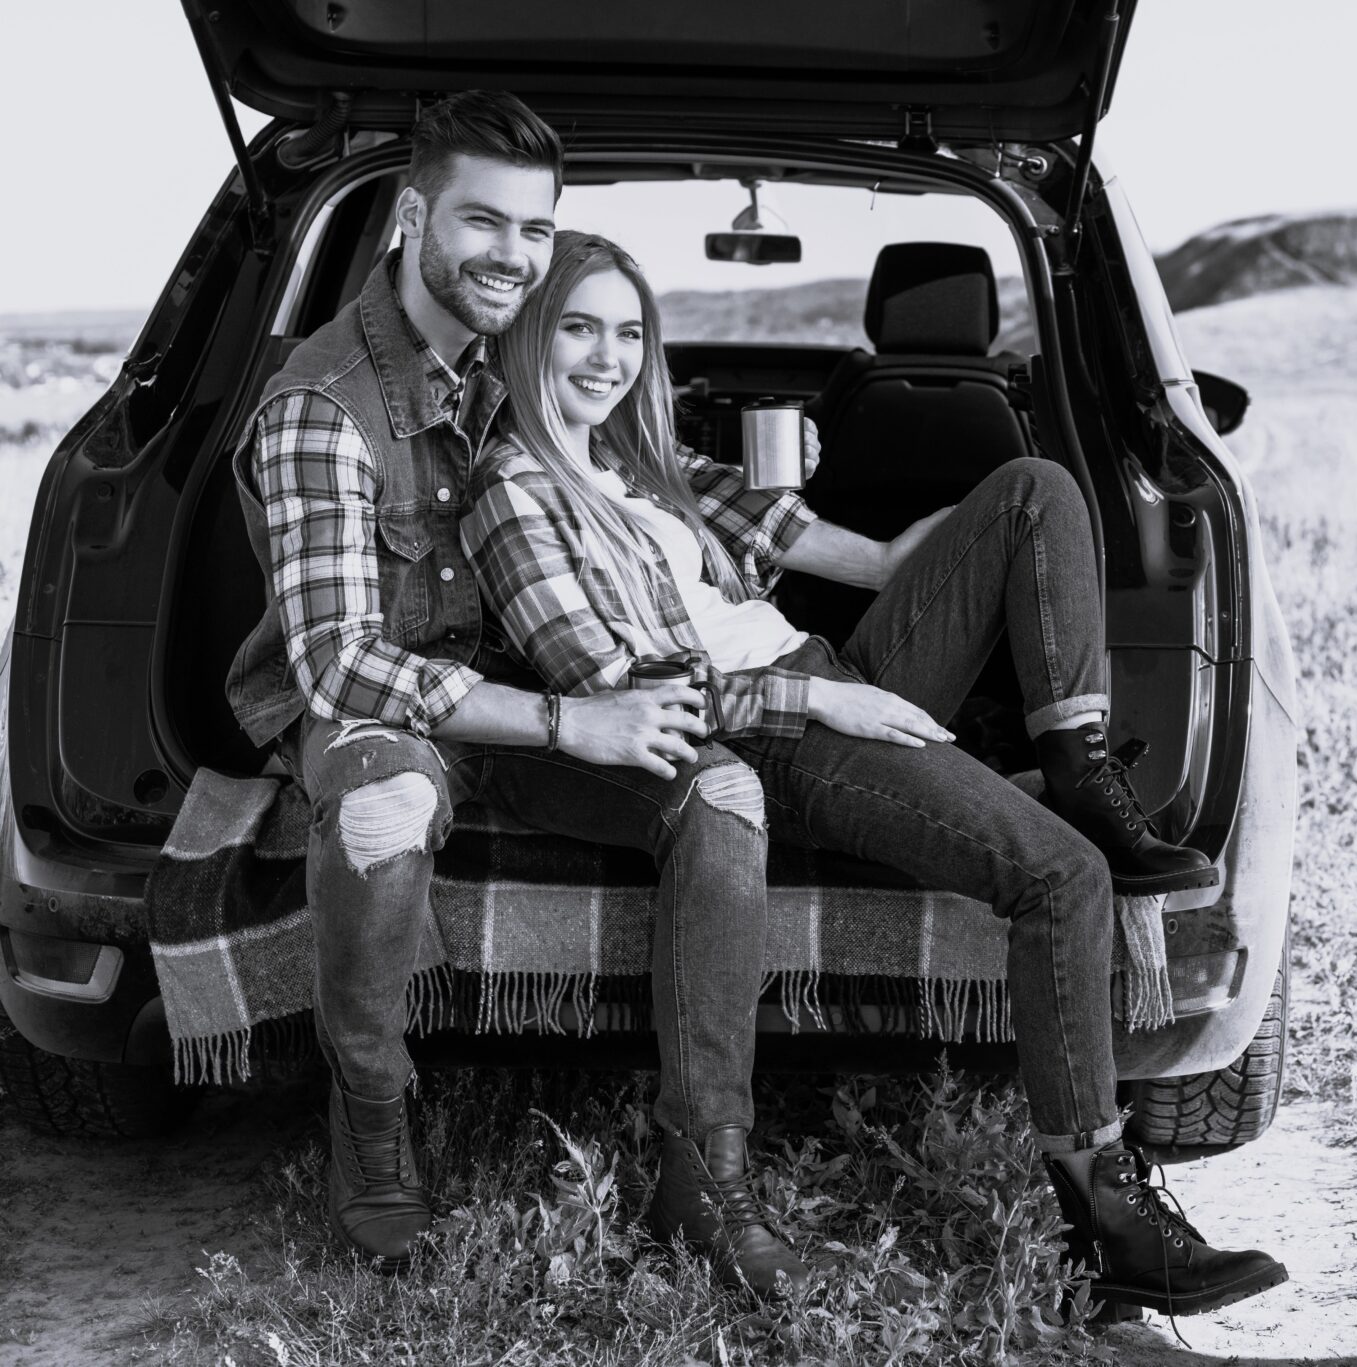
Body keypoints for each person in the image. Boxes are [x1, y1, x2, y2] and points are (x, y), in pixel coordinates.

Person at [459, 230, 1289, 1317]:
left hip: (814, 676)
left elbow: (795, 531)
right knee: (1064, 878)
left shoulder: (631, 458)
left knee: (1033, 486)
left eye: (626, 331)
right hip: (771, 730)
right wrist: (827, 700)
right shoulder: (511, 491)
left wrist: (901, 561)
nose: (607, 357)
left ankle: (1079, 766)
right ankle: (1107, 1221)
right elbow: (618, 686)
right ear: (525, 335)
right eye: (578, 328)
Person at [225, 94, 804, 1295]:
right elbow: (337, 660)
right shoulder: (318, 403)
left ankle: (703, 1160)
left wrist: (876, 552)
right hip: (380, 707)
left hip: (527, 681)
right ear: (411, 213)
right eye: (483, 222)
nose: (512, 256)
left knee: (724, 790)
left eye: (534, 231)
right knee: (384, 800)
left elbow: (645, 465)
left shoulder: (513, 346)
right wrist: (566, 721)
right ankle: (372, 1120)